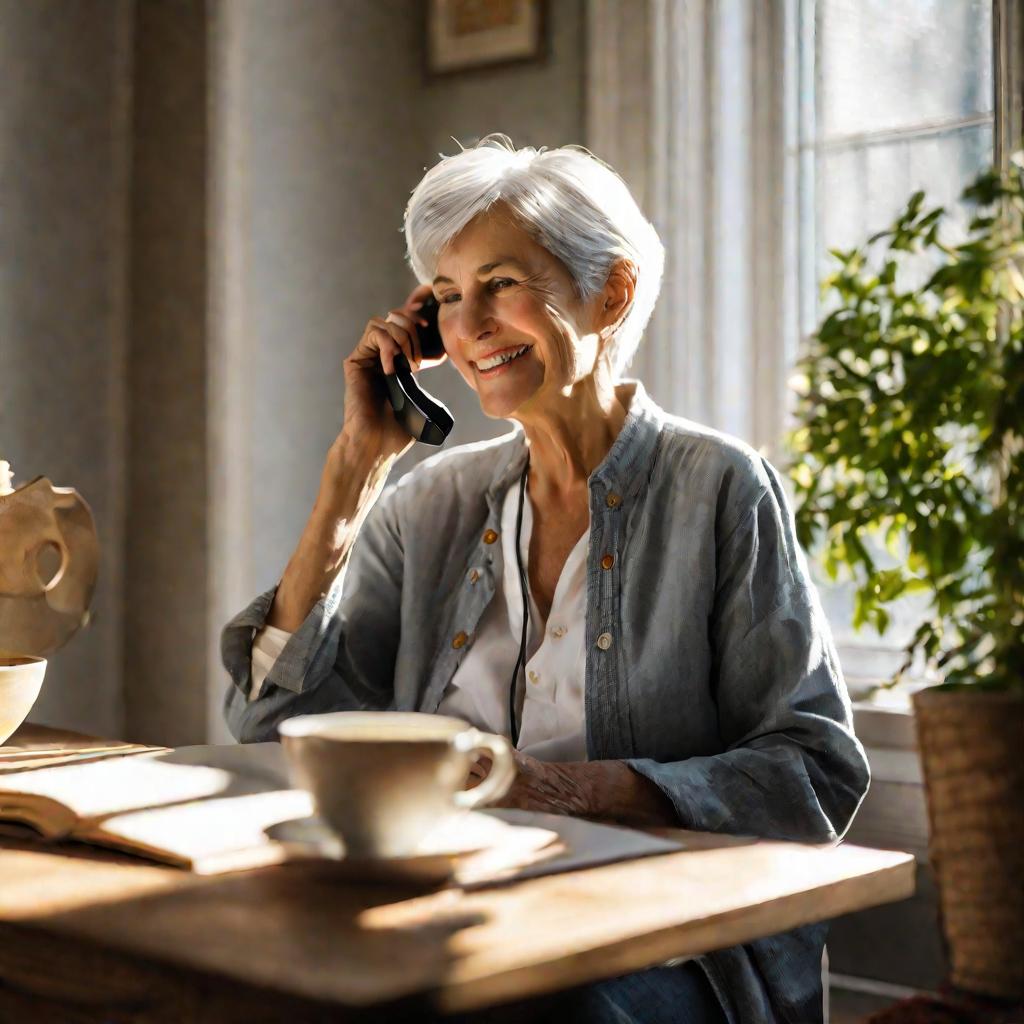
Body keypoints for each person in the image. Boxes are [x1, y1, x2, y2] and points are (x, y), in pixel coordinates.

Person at [222, 134, 870, 1023]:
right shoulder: (432, 504)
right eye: (446, 299)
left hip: (654, 940)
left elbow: (815, 768)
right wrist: (354, 471)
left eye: (500, 285)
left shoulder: (719, 488)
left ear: (612, 293)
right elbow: (272, 726)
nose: (470, 328)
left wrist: (580, 791)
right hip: (440, 913)